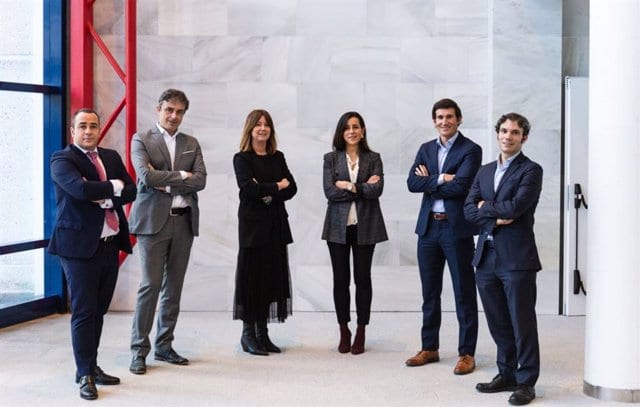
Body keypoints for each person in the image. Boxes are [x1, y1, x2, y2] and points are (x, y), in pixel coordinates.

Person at [48, 108, 136, 400]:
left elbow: (132, 190)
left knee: (99, 310)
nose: (88, 131)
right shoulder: (62, 159)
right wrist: (113, 187)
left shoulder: (110, 157)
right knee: (85, 311)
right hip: (77, 248)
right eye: (83, 126)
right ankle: (84, 373)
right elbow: (80, 190)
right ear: (73, 131)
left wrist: (105, 195)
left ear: (100, 130)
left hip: (109, 243)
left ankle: (91, 366)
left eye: (93, 126)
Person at [463, 113, 542, 406]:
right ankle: (506, 373)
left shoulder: (530, 170)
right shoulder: (484, 171)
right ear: (497, 134)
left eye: (515, 132)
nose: (508, 136)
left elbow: (517, 207)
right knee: (497, 320)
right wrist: (495, 215)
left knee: (522, 322)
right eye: (504, 131)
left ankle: (526, 382)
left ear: (524, 137)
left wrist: (486, 207)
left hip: (517, 259)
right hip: (485, 257)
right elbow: (468, 210)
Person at [128, 89, 207, 374]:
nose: (174, 116)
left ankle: (164, 346)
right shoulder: (142, 139)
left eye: (179, 112)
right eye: (169, 110)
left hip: (183, 222)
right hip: (152, 223)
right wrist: (183, 176)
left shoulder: (191, 143)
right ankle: (139, 351)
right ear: (158, 109)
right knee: (150, 286)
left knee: (173, 288)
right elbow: (146, 176)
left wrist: (166, 181)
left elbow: (201, 181)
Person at [405, 98, 482, 375]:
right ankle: (429, 348)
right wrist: (442, 178)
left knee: (464, 292)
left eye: (449, 116)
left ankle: (467, 353)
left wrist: (431, 180)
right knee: (429, 293)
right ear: (434, 121)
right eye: (439, 117)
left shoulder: (471, 149)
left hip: (456, 229)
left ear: (458, 119)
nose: (444, 121)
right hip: (428, 229)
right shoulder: (426, 148)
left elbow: (462, 187)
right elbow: (412, 183)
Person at [321, 111, 388, 355]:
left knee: (362, 279)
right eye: (347, 127)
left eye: (356, 126)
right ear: (341, 132)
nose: (352, 131)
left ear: (363, 131)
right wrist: (362, 187)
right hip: (337, 227)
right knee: (340, 280)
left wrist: (348, 185)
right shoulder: (330, 158)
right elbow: (329, 192)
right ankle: (343, 330)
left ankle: (361, 330)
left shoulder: (373, 158)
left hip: (366, 225)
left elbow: (377, 190)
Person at [232, 109, 297, 356]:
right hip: (253, 228)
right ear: (250, 129)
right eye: (258, 124)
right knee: (252, 279)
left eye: (266, 124)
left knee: (270, 278)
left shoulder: (277, 157)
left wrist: (266, 191)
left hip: (276, 225)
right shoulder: (242, 159)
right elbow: (248, 189)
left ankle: (263, 334)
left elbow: (292, 188)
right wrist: (277, 186)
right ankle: (248, 334)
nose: (262, 128)